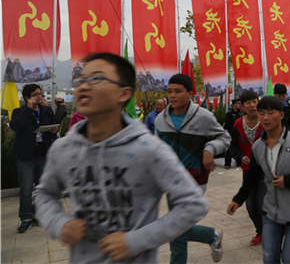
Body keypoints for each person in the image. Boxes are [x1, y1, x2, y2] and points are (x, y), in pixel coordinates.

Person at [34, 53, 209, 263]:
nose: (84, 86)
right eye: (80, 80)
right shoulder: (63, 149)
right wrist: (59, 223)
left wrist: (135, 241)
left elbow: (194, 204)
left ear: (124, 93)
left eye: (96, 78)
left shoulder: (149, 150)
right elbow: (44, 193)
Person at [227, 96, 290, 264]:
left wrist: (289, 181)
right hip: (270, 212)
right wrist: (238, 200)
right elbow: (251, 178)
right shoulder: (258, 147)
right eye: (262, 114)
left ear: (281, 115)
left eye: (270, 113)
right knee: (269, 259)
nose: (265, 118)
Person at [154, 74, 230, 263]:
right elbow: (156, 151)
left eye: (177, 91)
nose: (172, 96)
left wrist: (209, 149)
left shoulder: (203, 117)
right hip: (171, 184)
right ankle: (212, 236)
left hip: (195, 182)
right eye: (169, 91)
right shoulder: (160, 120)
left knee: (176, 231)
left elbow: (224, 138)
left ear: (190, 93)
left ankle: (211, 236)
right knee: (176, 229)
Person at [10, 84, 57, 233]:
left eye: (40, 93)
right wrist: (28, 108)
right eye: (35, 94)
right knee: (26, 189)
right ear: (27, 97)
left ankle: (38, 216)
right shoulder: (19, 111)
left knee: (40, 189)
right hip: (26, 156)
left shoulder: (45, 110)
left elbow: (52, 127)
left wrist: (53, 130)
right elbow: (16, 126)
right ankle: (26, 218)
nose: (39, 96)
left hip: (42, 154)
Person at [228, 91, 265, 246]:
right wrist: (239, 156)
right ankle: (260, 231)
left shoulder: (266, 121)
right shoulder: (237, 124)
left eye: (255, 101)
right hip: (247, 170)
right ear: (242, 107)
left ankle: (269, 232)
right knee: (250, 205)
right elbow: (232, 146)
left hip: (265, 171)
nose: (253, 105)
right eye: (248, 103)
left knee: (262, 203)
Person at [224, 98, 242, 168]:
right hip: (231, 133)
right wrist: (230, 132)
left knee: (238, 147)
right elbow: (227, 124)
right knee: (229, 148)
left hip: (238, 133)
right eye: (238, 104)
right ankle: (227, 163)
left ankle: (239, 162)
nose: (239, 105)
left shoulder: (239, 113)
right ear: (234, 104)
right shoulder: (230, 114)